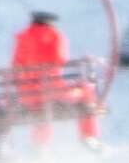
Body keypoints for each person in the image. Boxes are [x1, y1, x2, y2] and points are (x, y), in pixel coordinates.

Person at [10, 10, 97, 144]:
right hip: (52, 93)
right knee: (86, 91)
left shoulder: (22, 38)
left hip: (28, 96)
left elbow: (16, 66)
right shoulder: (54, 35)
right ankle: (88, 136)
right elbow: (60, 60)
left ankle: (39, 145)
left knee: (42, 112)